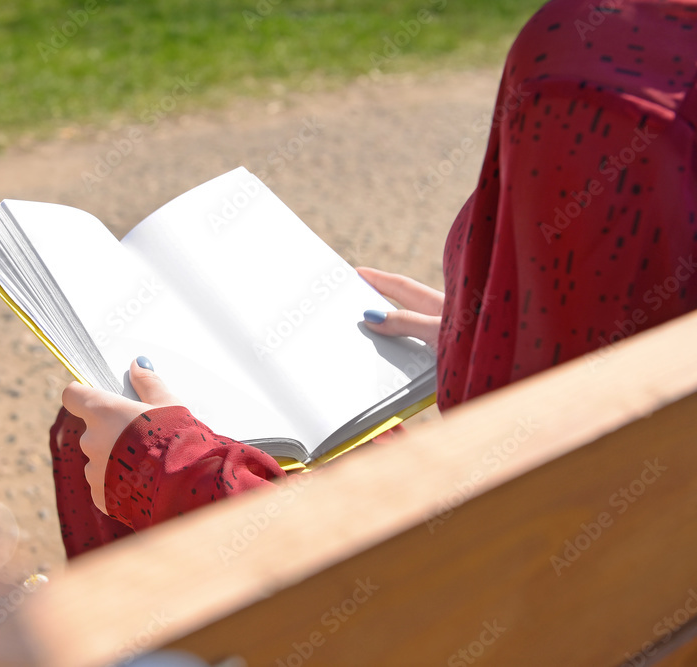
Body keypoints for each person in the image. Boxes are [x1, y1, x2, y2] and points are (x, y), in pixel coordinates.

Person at [50, 0, 697, 558]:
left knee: (106, 427)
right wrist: (531, 327)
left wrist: (169, 470)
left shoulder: (593, 92)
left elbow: (468, 580)